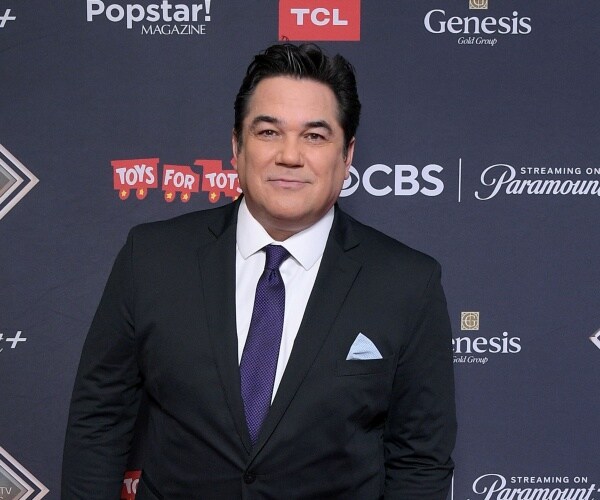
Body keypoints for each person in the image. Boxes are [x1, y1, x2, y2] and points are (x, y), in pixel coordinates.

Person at [62, 43, 456, 499]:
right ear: (237, 147)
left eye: (314, 136)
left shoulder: (407, 283)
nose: (289, 155)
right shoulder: (151, 257)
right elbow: (99, 419)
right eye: (269, 132)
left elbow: (419, 460)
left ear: (347, 155)